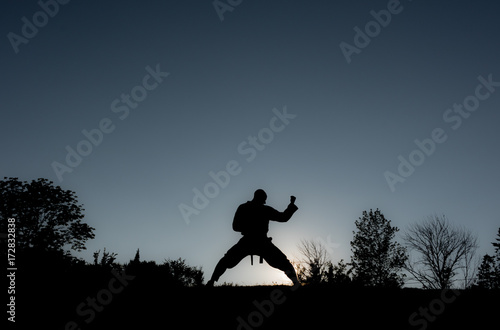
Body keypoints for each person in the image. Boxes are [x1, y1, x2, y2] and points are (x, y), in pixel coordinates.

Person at [206, 189, 300, 287]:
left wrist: (291, 205)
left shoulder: (260, 209)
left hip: (260, 241)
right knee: (226, 260)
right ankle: (211, 281)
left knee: (283, 262)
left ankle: (296, 283)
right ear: (262, 199)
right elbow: (235, 226)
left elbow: (283, 217)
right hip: (250, 241)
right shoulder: (247, 208)